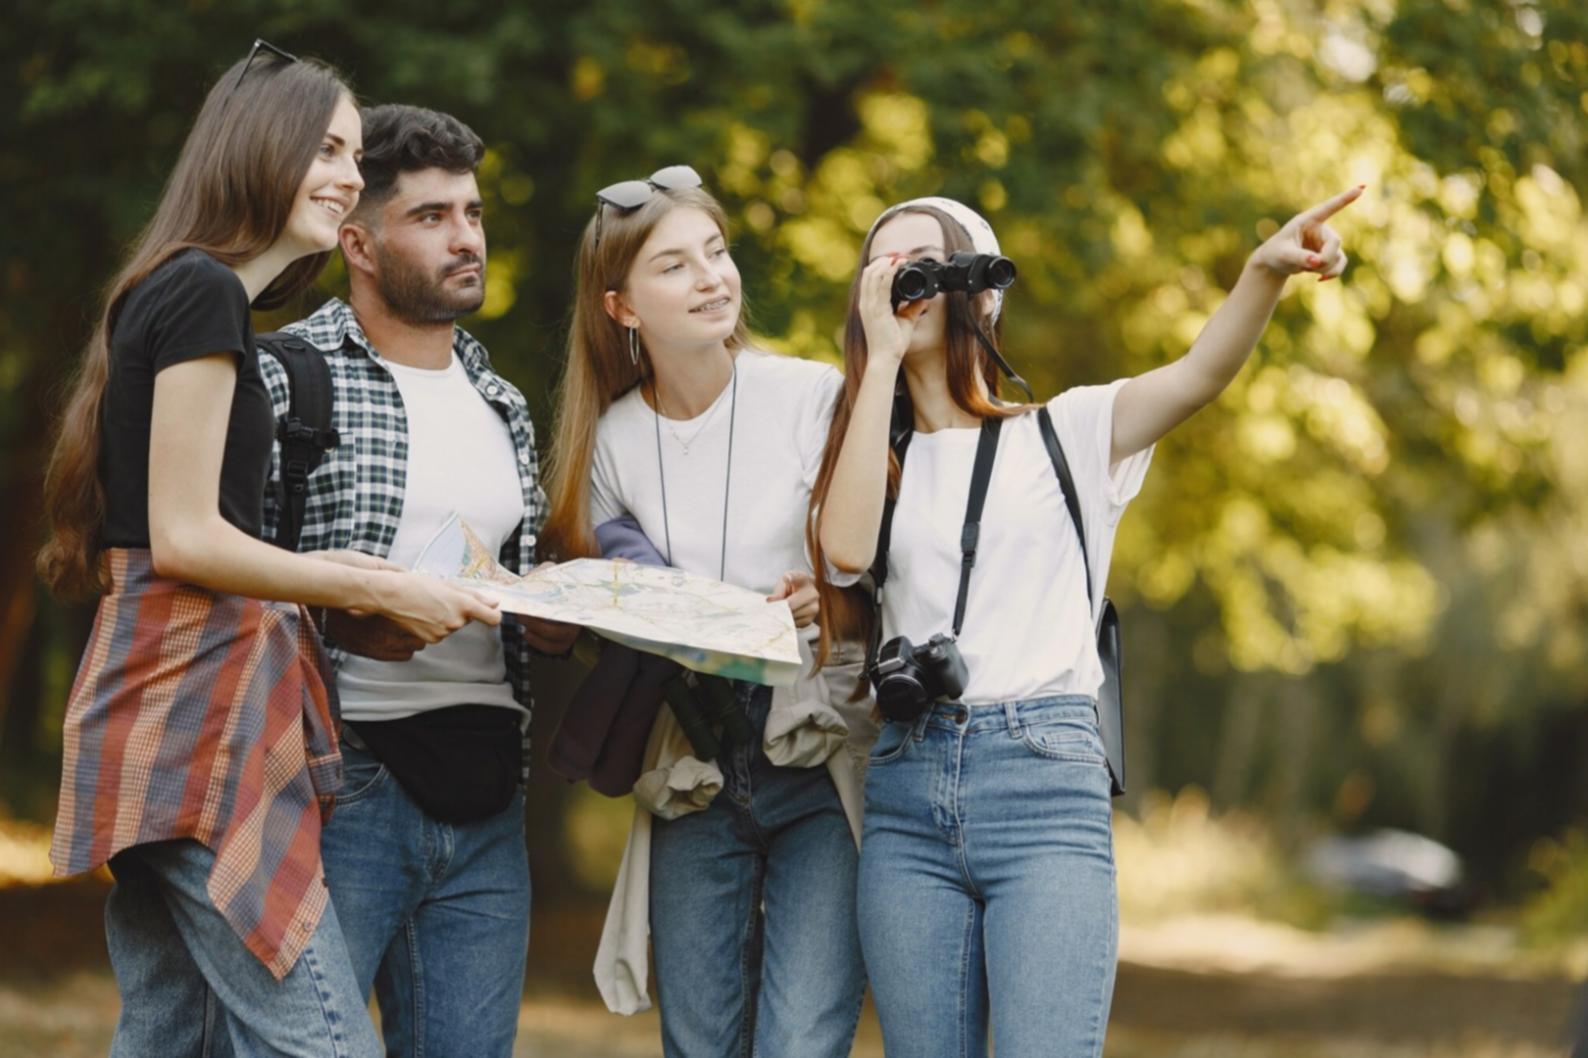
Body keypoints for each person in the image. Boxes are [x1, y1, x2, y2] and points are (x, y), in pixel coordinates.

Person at [813, 190, 1360, 1056]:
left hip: (1042, 784)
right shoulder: (873, 458)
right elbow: (843, 554)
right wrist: (878, 362)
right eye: (883, 269)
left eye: (923, 264)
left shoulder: (1066, 433)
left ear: (978, 292)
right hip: (908, 793)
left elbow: (1199, 375)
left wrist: (1263, 272)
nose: (901, 282)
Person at [38, 45, 499, 1058]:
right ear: (261, 146)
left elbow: (193, 530)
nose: (347, 174)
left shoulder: (192, 292)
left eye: (353, 154)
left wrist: (366, 582)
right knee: (326, 1042)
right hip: (188, 709)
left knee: (175, 1033)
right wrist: (365, 585)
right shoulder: (201, 291)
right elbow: (185, 536)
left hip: (186, 699)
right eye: (327, 149)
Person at [257, 102, 579, 1057]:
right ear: (357, 242)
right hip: (338, 782)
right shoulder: (283, 377)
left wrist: (552, 614)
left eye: (472, 213)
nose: (465, 238)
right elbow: (207, 572)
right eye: (431, 216)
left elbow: (508, 586)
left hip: (490, 787)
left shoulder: (502, 402)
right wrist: (343, 609)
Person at [539, 167, 867, 1057]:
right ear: (621, 307)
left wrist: (831, 595)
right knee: (698, 1042)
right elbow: (602, 616)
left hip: (814, 746)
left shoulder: (811, 396)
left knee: (800, 1042)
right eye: (675, 265)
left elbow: (879, 565)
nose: (712, 277)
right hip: (691, 759)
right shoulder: (608, 443)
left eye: (716, 252)